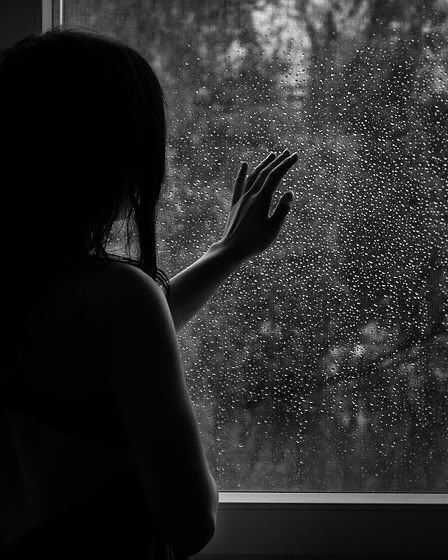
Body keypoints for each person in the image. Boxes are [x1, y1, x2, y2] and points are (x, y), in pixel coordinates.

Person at [0, 27, 297, 558]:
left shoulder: (27, 286)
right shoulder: (115, 295)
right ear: (104, 156)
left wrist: (225, 252)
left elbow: (105, 350)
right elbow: (190, 524)